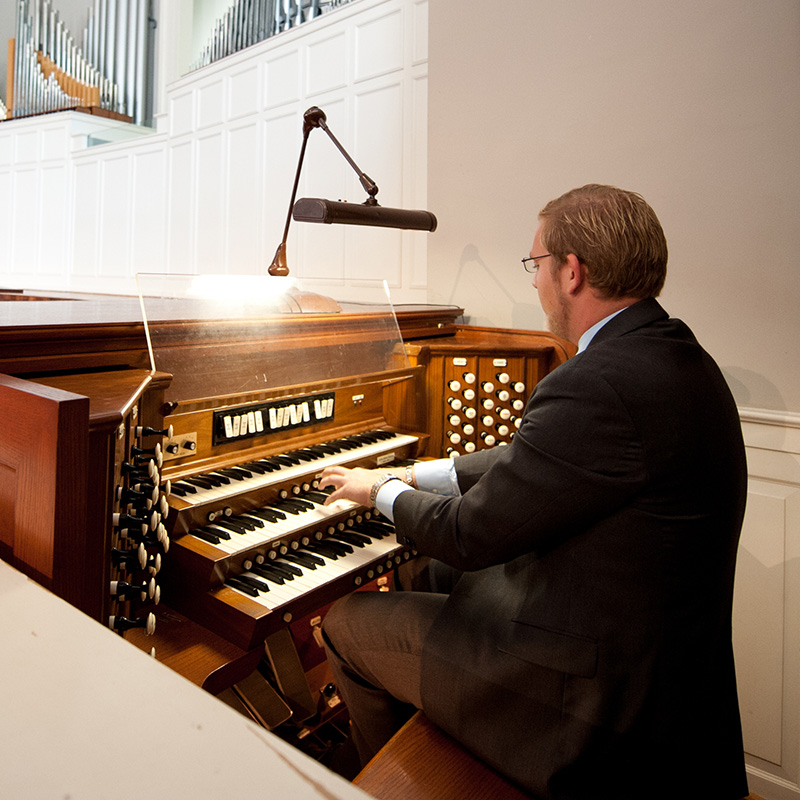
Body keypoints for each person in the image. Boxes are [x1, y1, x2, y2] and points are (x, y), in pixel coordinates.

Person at [319, 184, 749, 799]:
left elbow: (470, 535)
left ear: (572, 271)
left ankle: (400, 782)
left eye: (536, 264)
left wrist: (380, 488)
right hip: (658, 670)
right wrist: (425, 473)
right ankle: (432, 723)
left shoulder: (598, 379)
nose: (534, 281)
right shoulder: (675, 355)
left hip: (589, 709)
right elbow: (539, 461)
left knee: (348, 621)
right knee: (422, 572)